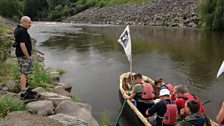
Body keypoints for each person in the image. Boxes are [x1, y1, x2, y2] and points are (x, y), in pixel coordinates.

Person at [14, 16, 33, 98]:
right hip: (23, 55)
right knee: (24, 73)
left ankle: (25, 89)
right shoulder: (21, 31)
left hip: (21, 54)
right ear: (23, 22)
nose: (30, 24)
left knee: (25, 72)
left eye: (30, 22)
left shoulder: (19, 29)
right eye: (29, 22)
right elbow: (22, 45)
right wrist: (27, 57)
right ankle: (23, 92)